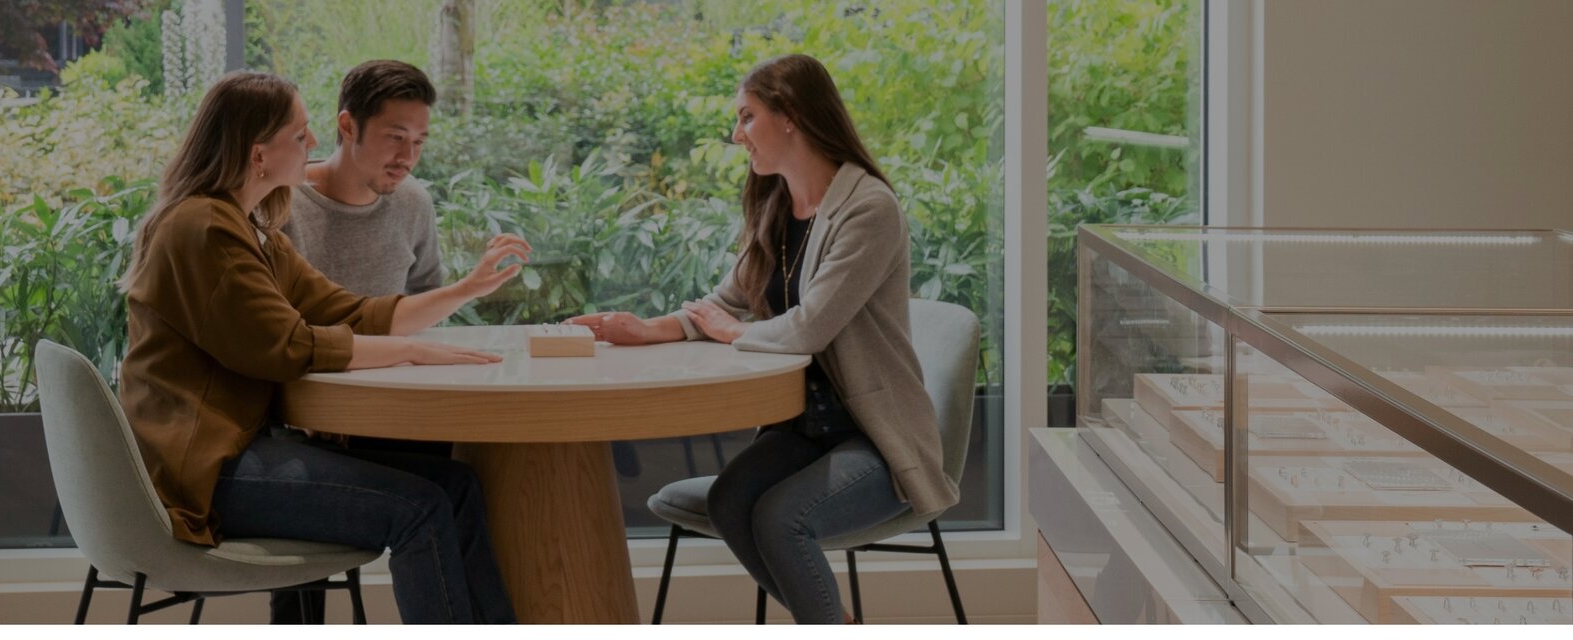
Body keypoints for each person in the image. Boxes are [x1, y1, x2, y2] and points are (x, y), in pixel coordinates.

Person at [117, 71, 529, 624]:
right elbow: (284, 347)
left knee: (455, 485)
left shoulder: (250, 226)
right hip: (205, 470)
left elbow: (351, 311)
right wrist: (413, 353)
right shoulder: (203, 228)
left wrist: (470, 287)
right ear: (257, 154)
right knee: (421, 509)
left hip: (235, 450)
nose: (312, 144)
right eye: (300, 133)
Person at [567, 54, 956, 624]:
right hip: (804, 426)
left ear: (791, 115)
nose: (736, 134)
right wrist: (649, 329)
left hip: (874, 437)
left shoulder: (869, 208)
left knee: (780, 518)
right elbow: (728, 302)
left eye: (747, 117)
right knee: (731, 501)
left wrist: (733, 334)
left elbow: (811, 325)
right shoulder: (776, 203)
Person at [273, 58, 521, 624]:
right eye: (394, 138)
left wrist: (469, 288)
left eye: (419, 141)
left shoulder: (412, 204)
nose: (407, 156)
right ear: (346, 126)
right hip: (301, 418)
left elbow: (421, 308)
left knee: (472, 479)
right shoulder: (283, 205)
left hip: (392, 415)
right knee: (440, 495)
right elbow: (274, 336)